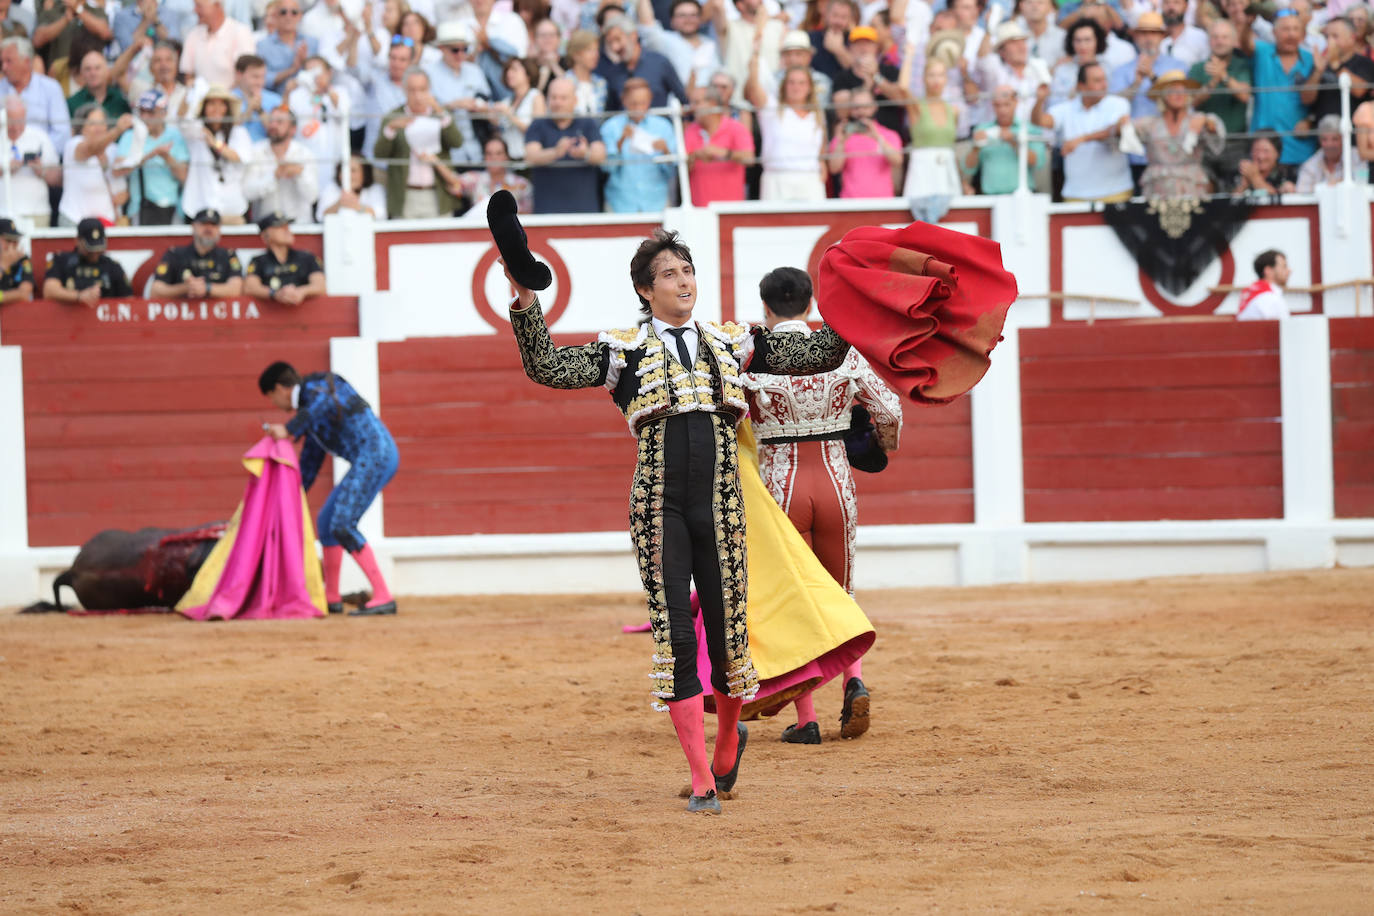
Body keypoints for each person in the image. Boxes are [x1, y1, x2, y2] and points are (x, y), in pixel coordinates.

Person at [504, 227, 855, 814]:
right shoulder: (623, 350)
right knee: (675, 631)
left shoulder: (733, 340)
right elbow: (546, 366)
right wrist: (523, 300)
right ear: (646, 290)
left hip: (720, 503)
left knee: (728, 632)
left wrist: (854, 304)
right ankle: (700, 778)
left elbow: (822, 353)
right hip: (657, 504)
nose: (683, 280)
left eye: (687, 269)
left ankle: (724, 743)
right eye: (668, 273)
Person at [742, 266, 901, 744]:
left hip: (779, 486)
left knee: (796, 602)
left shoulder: (750, 353)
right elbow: (891, 411)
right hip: (835, 483)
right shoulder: (841, 351)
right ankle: (854, 680)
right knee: (840, 594)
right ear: (809, 306)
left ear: (766, 309)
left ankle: (807, 720)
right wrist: (877, 445)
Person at [260, 360, 401, 617]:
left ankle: (383, 596)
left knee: (343, 524)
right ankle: (332, 596)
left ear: (279, 389)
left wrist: (289, 429)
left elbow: (321, 404)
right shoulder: (310, 409)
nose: (274, 405)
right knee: (326, 522)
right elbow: (312, 461)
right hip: (369, 456)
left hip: (376, 453)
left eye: (271, 398)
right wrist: (293, 493)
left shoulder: (318, 388)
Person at [1032, 62, 1132, 202]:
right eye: (1097, 80)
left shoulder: (1118, 104)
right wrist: (1040, 100)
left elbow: (1117, 129)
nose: (1104, 85)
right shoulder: (1066, 108)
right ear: (1081, 86)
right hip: (1076, 194)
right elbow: (1039, 121)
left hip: (1116, 191)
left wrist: (1081, 139)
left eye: (1104, 79)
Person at [746, 39, 827, 201]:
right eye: (791, 83)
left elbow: (821, 148)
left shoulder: (817, 114)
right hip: (777, 179)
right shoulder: (772, 108)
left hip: (810, 179)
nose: (796, 87)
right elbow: (753, 89)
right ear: (784, 86)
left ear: (809, 87)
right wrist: (754, 56)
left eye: (801, 83)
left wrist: (822, 165)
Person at [1133, 70, 1224, 198]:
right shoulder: (1150, 124)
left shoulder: (1198, 119)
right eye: (1173, 90)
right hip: (1158, 189)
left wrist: (1207, 122)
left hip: (1191, 188)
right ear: (1163, 96)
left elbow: (1216, 134)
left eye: (1183, 90)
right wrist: (1121, 124)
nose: (1179, 95)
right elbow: (1123, 131)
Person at [1246, 7, 1318, 168]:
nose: (1291, 34)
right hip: (1262, 153)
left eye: (1295, 29)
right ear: (1274, 32)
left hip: (1301, 151)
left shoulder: (1312, 60)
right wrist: (1246, 24)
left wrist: (1310, 121)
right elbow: (1245, 44)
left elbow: (1319, 103)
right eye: (1286, 29)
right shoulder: (1262, 52)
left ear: (1303, 34)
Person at [523, 76, 605, 212]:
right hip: (546, 212)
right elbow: (530, 156)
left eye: (563, 98)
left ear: (575, 101)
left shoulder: (588, 123)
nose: (557, 102)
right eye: (553, 97)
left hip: (585, 211)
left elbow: (601, 155)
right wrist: (555, 152)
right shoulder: (537, 124)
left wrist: (586, 154)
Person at [1188, 19, 1251, 190]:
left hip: (1235, 141)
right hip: (1204, 144)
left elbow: (1245, 95)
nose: (1220, 41)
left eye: (1224, 37)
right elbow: (1191, 102)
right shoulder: (1197, 68)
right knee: (1203, 190)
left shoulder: (1241, 65)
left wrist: (1223, 76)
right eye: (1215, 37)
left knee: (1235, 192)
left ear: (1233, 40)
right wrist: (1212, 84)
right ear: (1209, 41)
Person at [111, 90, 190, 226]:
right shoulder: (130, 136)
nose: (145, 116)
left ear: (163, 113)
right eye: (142, 111)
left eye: (151, 112)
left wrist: (166, 157)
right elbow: (117, 170)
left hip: (172, 208)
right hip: (141, 208)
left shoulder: (176, 136)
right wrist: (151, 155)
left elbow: (184, 176)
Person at [600, 76, 675, 212]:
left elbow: (671, 172)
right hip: (620, 203)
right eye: (634, 104)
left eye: (643, 103)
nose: (639, 108)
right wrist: (621, 142)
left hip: (656, 202)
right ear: (624, 100)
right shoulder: (611, 127)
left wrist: (666, 151)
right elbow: (606, 169)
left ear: (650, 100)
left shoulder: (663, 127)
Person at [182, 85, 254, 223]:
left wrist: (215, 144)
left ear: (227, 109)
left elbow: (240, 157)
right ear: (204, 108)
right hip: (199, 206)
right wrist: (192, 92)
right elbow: (184, 121)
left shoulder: (238, 133)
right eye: (211, 104)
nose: (216, 109)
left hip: (232, 208)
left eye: (221, 104)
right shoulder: (196, 132)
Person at [426, 21, 491, 165]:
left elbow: (488, 101)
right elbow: (426, 111)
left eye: (465, 49)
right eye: (455, 50)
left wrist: (479, 105)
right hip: (445, 151)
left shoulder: (475, 71)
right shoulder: (429, 73)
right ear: (441, 48)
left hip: (477, 149)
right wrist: (452, 105)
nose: (460, 54)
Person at [967, 84, 1048, 194]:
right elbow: (968, 168)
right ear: (992, 105)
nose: (1002, 110)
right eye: (997, 105)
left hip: (1022, 197)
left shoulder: (1029, 130)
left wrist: (1014, 142)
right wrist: (976, 147)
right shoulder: (982, 130)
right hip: (990, 197)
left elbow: (1039, 162)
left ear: (1016, 103)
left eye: (1006, 104)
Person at [596, 13, 688, 110]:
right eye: (610, 43)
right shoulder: (612, 73)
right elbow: (610, 111)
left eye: (617, 39)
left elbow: (683, 99)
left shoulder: (659, 63)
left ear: (633, 35)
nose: (615, 47)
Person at [60, 105, 131, 227]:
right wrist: (117, 130)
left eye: (102, 123)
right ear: (81, 128)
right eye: (92, 123)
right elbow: (91, 149)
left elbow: (121, 186)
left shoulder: (114, 149)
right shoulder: (73, 144)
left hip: (107, 222)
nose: (98, 128)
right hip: (75, 220)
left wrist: (124, 195)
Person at [244, 106, 318, 223]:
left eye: (279, 122)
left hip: (299, 226)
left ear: (293, 129)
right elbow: (248, 192)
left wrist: (299, 174)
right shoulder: (256, 151)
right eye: (271, 121)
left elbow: (312, 196)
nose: (273, 125)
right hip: (266, 227)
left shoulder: (305, 154)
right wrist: (274, 176)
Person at [150, 208, 244, 298]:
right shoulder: (175, 254)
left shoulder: (228, 255)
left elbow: (237, 289)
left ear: (219, 229)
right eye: (204, 224)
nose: (209, 228)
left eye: (213, 224)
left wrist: (207, 288)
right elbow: (155, 290)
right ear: (193, 226)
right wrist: (185, 288)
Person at [684, 81, 753, 204]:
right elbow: (682, 170)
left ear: (713, 104)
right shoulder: (690, 130)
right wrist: (695, 156)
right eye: (692, 102)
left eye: (697, 103)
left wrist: (722, 153)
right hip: (699, 208)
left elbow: (749, 158)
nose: (692, 107)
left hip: (731, 208)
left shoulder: (735, 127)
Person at [827, 87, 902, 197]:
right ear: (850, 110)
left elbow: (897, 161)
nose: (861, 112)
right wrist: (841, 142)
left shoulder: (889, 135)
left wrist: (877, 138)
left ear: (874, 108)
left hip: (883, 202)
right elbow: (834, 169)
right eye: (856, 108)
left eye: (865, 107)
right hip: (851, 203)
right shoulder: (842, 137)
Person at [0, 36, 71, 153]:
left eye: (9, 61)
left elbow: (62, 132)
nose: (4, 67)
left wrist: (40, 154)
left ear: (26, 61)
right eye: (2, 62)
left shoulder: (50, 88)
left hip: (43, 162)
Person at [42, 217, 135, 305]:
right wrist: (79, 296)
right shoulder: (62, 260)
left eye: (98, 248)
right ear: (77, 240)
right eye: (90, 249)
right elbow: (49, 291)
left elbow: (129, 300)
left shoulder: (112, 266)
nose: (94, 253)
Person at [2, 95, 61, 227]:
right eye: (11, 121)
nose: (16, 127)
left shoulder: (40, 137)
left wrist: (42, 171)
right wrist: (5, 169)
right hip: (2, 213)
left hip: (37, 213)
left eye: (20, 120)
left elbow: (58, 179)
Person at [244, 211, 327, 303]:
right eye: (280, 227)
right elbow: (249, 287)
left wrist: (301, 292)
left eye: (287, 226)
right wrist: (275, 293)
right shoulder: (258, 261)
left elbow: (320, 285)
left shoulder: (306, 257)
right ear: (265, 236)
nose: (287, 230)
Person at [181, 0, 257, 90]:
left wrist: (223, 100)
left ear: (217, 6)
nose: (195, 10)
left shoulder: (240, 32)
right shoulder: (193, 34)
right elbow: (188, 74)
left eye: (199, 6)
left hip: (232, 100)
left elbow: (246, 73)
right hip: (201, 100)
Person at [258, 0, 318, 94]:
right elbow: (262, 79)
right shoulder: (263, 46)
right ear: (276, 16)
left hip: (310, 100)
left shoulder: (312, 43)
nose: (288, 17)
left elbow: (323, 75)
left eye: (294, 12)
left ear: (300, 16)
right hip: (277, 103)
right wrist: (292, 69)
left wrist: (305, 63)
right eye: (283, 12)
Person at [1296, 114, 1368, 189]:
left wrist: (1334, 185)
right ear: (1319, 141)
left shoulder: (1357, 157)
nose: (1329, 144)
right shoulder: (1310, 164)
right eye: (1324, 139)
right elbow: (1302, 192)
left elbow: (1362, 185)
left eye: (1335, 139)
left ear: (1343, 139)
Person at [494, 56, 544, 161]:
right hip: (508, 160)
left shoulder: (535, 96)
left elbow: (538, 132)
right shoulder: (507, 101)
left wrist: (509, 115)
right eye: (508, 70)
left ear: (528, 74)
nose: (509, 74)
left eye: (515, 70)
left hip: (527, 159)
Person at [67, 49, 133, 121]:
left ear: (107, 71)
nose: (93, 73)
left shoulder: (121, 100)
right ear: (81, 73)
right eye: (88, 69)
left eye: (97, 68)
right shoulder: (71, 104)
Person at [317, 153, 389, 219]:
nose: (348, 175)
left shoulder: (375, 189)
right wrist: (339, 204)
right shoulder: (331, 188)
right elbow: (320, 216)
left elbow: (381, 215)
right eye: (344, 170)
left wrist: (356, 206)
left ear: (364, 173)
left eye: (353, 170)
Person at [231, 53, 282, 142]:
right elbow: (227, 130)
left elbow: (281, 133)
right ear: (239, 75)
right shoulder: (228, 99)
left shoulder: (276, 100)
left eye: (263, 77)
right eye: (255, 77)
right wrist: (248, 110)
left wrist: (259, 110)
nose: (260, 82)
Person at [1236, 248, 1291, 320]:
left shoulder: (1250, 292)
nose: (1289, 270)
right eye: (1284, 266)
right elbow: (1285, 328)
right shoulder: (1270, 298)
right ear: (1268, 270)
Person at [565, 26, 607, 115]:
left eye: (596, 50)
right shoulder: (564, 82)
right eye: (590, 50)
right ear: (575, 54)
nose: (596, 55)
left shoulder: (601, 83)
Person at [1157, 0, 1209, 67]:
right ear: (1161, 6)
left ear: (1186, 6)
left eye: (1176, 2)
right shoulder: (1152, 36)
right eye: (1166, 2)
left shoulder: (1200, 37)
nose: (1171, 7)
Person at [0, 217, 34, 302]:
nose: (12, 245)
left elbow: (24, 294)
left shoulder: (22, 260)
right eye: (8, 240)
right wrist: (3, 265)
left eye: (15, 240)